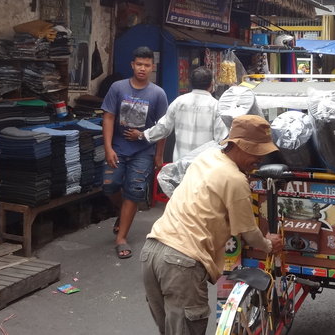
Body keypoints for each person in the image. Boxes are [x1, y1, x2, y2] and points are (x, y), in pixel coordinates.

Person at [141, 115, 284, 335]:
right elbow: (248, 232)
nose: (260, 158)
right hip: (182, 261)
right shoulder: (235, 180)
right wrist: (268, 244)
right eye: (257, 151)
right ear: (239, 146)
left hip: (152, 251)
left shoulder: (207, 157)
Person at [101, 46, 168, 258]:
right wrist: (108, 147)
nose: (142, 68)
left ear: (152, 68)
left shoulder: (158, 93)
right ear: (132, 65)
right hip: (119, 148)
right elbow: (108, 117)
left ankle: (121, 238)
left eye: (146, 65)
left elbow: (162, 127)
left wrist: (158, 155)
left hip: (143, 151)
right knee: (109, 186)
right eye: (139, 64)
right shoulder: (117, 88)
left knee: (134, 190)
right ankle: (123, 216)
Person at [123, 66, 228, 161]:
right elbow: (222, 139)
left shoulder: (179, 102)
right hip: (204, 167)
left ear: (190, 83)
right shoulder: (217, 106)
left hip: (180, 164)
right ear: (211, 85)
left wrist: (142, 135)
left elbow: (163, 128)